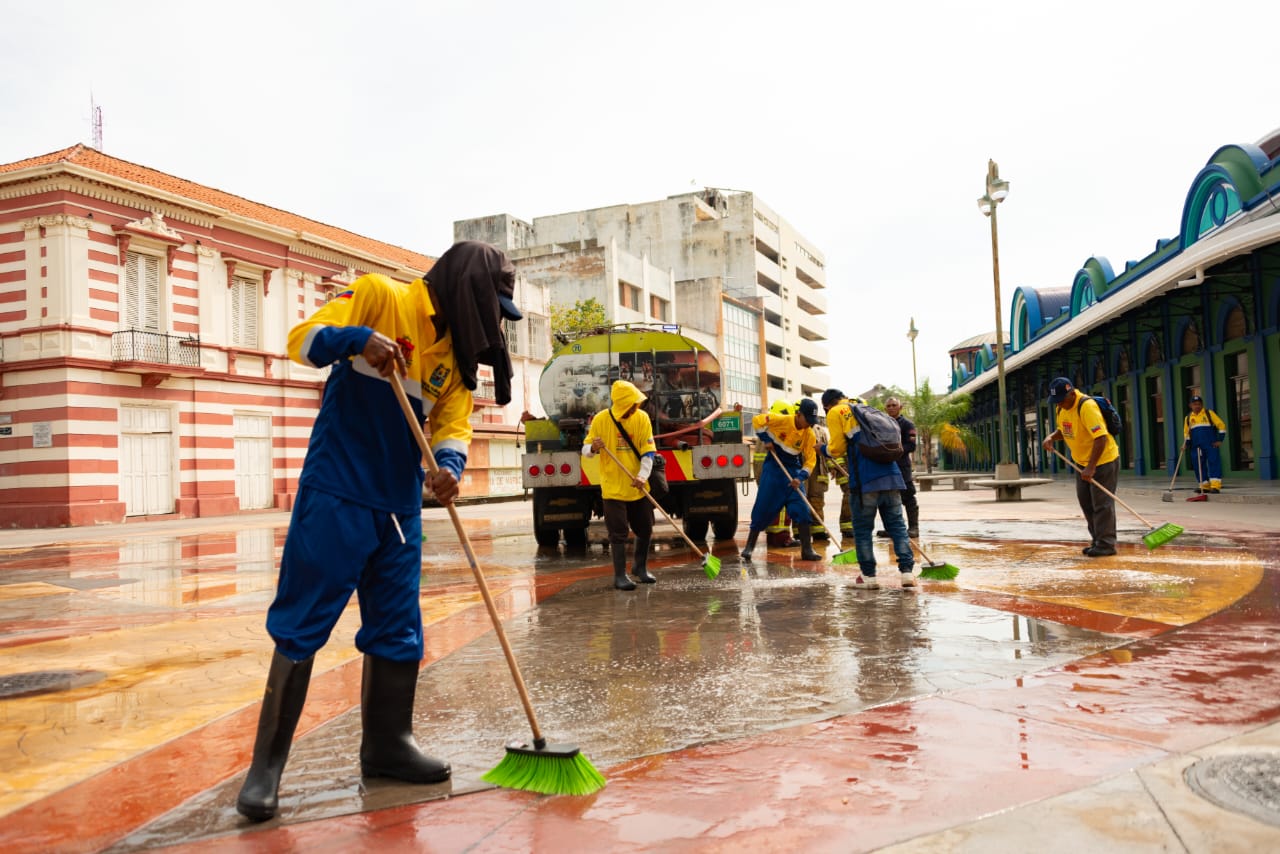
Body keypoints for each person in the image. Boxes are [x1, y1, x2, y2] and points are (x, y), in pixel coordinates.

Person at [236, 241, 523, 821]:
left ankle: (388, 745)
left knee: (397, 629)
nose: (493, 323)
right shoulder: (377, 297)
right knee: (302, 622)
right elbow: (302, 341)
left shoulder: (455, 357)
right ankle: (265, 768)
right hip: (337, 492)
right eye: (492, 306)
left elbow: (454, 423)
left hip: (398, 508)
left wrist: (449, 469)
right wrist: (355, 339)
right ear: (466, 289)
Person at [582, 380, 658, 590]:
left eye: (637, 403)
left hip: (637, 486)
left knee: (645, 528)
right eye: (632, 404)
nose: (636, 407)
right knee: (618, 533)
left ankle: (640, 568)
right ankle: (619, 576)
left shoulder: (642, 419)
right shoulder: (601, 420)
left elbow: (648, 452)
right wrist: (594, 448)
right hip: (613, 487)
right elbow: (585, 450)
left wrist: (642, 476)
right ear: (622, 404)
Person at [833, 395, 914, 589]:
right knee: (897, 527)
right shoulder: (878, 423)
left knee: (862, 531)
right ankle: (907, 573)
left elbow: (836, 449)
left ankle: (869, 577)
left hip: (866, 484)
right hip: (892, 480)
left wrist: (823, 449)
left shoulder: (848, 425)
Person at [1041, 377, 1120, 557]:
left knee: (1102, 505)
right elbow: (1065, 430)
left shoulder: (1087, 407)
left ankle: (1106, 544)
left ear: (1072, 393)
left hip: (1103, 461)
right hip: (1081, 462)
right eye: (1056, 401)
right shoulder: (1061, 408)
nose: (1059, 403)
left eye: (1062, 399)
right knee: (1086, 503)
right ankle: (1097, 541)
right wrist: (1052, 437)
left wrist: (1091, 467)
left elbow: (1101, 438)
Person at [740, 398, 820, 561]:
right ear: (798, 415)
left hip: (792, 473)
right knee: (762, 509)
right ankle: (749, 547)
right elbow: (757, 420)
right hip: (774, 470)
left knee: (802, 510)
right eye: (807, 420)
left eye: (812, 421)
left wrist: (800, 477)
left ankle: (807, 550)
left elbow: (811, 460)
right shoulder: (782, 420)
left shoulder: (808, 434)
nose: (809, 424)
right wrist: (766, 439)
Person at [821, 389, 864, 545]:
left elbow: (836, 445)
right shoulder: (860, 405)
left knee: (852, 493)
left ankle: (849, 525)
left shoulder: (836, 412)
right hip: (857, 461)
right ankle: (848, 526)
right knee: (852, 492)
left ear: (829, 404)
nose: (827, 412)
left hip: (850, 460)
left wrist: (827, 453)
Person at [876, 397, 919, 539]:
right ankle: (891, 528)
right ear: (885, 409)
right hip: (886, 467)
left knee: (908, 497)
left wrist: (895, 451)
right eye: (888, 406)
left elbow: (911, 446)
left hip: (902, 467)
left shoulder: (907, 424)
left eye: (894, 405)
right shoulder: (881, 424)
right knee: (888, 499)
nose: (891, 408)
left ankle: (913, 528)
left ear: (900, 407)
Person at [1183, 394, 1227, 493]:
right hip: (1196, 446)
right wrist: (1186, 444)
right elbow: (1187, 433)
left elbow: (1222, 426)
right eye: (1194, 404)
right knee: (1198, 465)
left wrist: (1220, 440)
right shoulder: (1189, 418)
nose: (1197, 406)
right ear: (1190, 405)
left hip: (1210, 444)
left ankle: (1215, 486)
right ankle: (1204, 485)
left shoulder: (1208, 413)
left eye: (1199, 404)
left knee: (1213, 463)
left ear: (1202, 404)